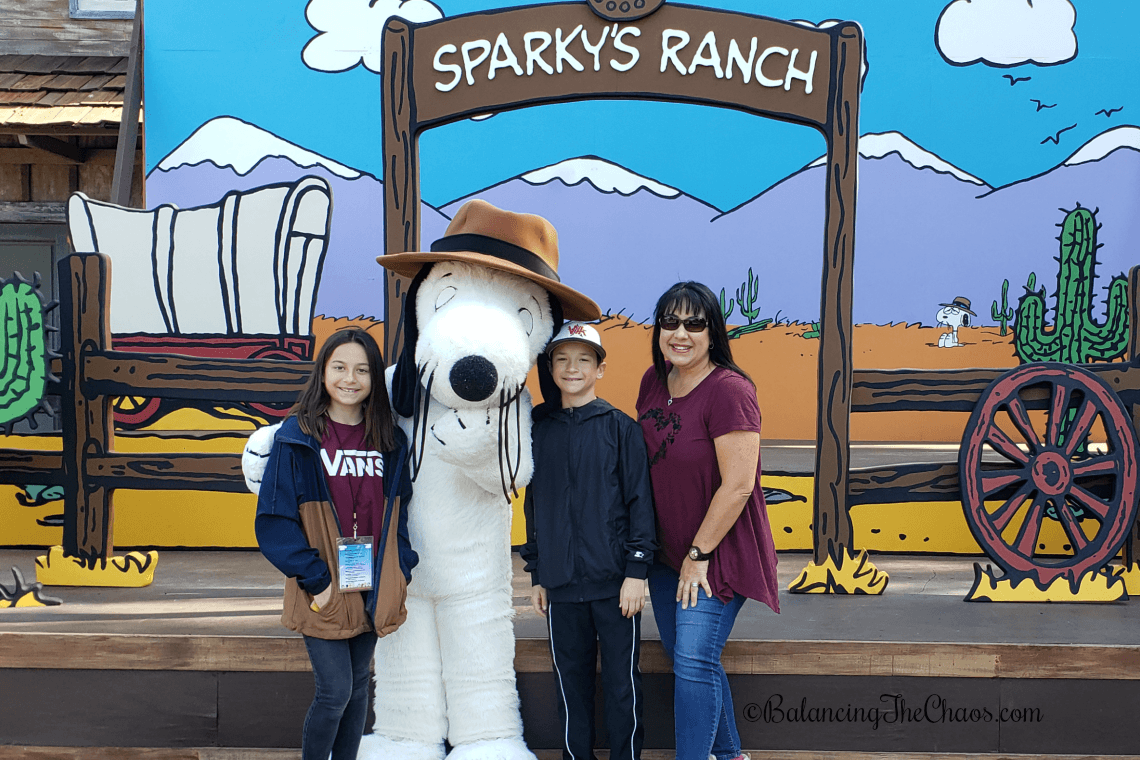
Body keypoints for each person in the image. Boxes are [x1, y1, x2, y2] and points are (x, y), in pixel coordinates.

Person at [254, 328, 415, 760]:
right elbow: (273, 522)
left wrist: (402, 569)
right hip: (322, 583)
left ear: (374, 379)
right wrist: (317, 581)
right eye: (340, 367)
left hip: (372, 580)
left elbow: (401, 514)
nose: (350, 378)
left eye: (362, 369)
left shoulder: (389, 440)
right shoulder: (298, 438)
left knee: (359, 688)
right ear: (323, 372)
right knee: (335, 693)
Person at [634, 282, 779, 760]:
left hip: (714, 555)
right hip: (665, 556)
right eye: (670, 322)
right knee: (690, 659)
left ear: (712, 333)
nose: (681, 333)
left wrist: (698, 557)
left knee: (693, 660)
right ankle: (732, 756)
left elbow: (738, 485)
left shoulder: (730, 391)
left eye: (694, 324)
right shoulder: (653, 383)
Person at [522, 321, 656, 760]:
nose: (572, 368)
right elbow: (534, 507)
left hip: (615, 586)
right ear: (550, 367)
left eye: (583, 359)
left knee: (622, 687)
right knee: (570, 689)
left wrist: (636, 573)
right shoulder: (537, 431)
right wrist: (539, 573)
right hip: (561, 586)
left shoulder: (621, 428)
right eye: (562, 359)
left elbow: (641, 505)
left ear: (600, 369)